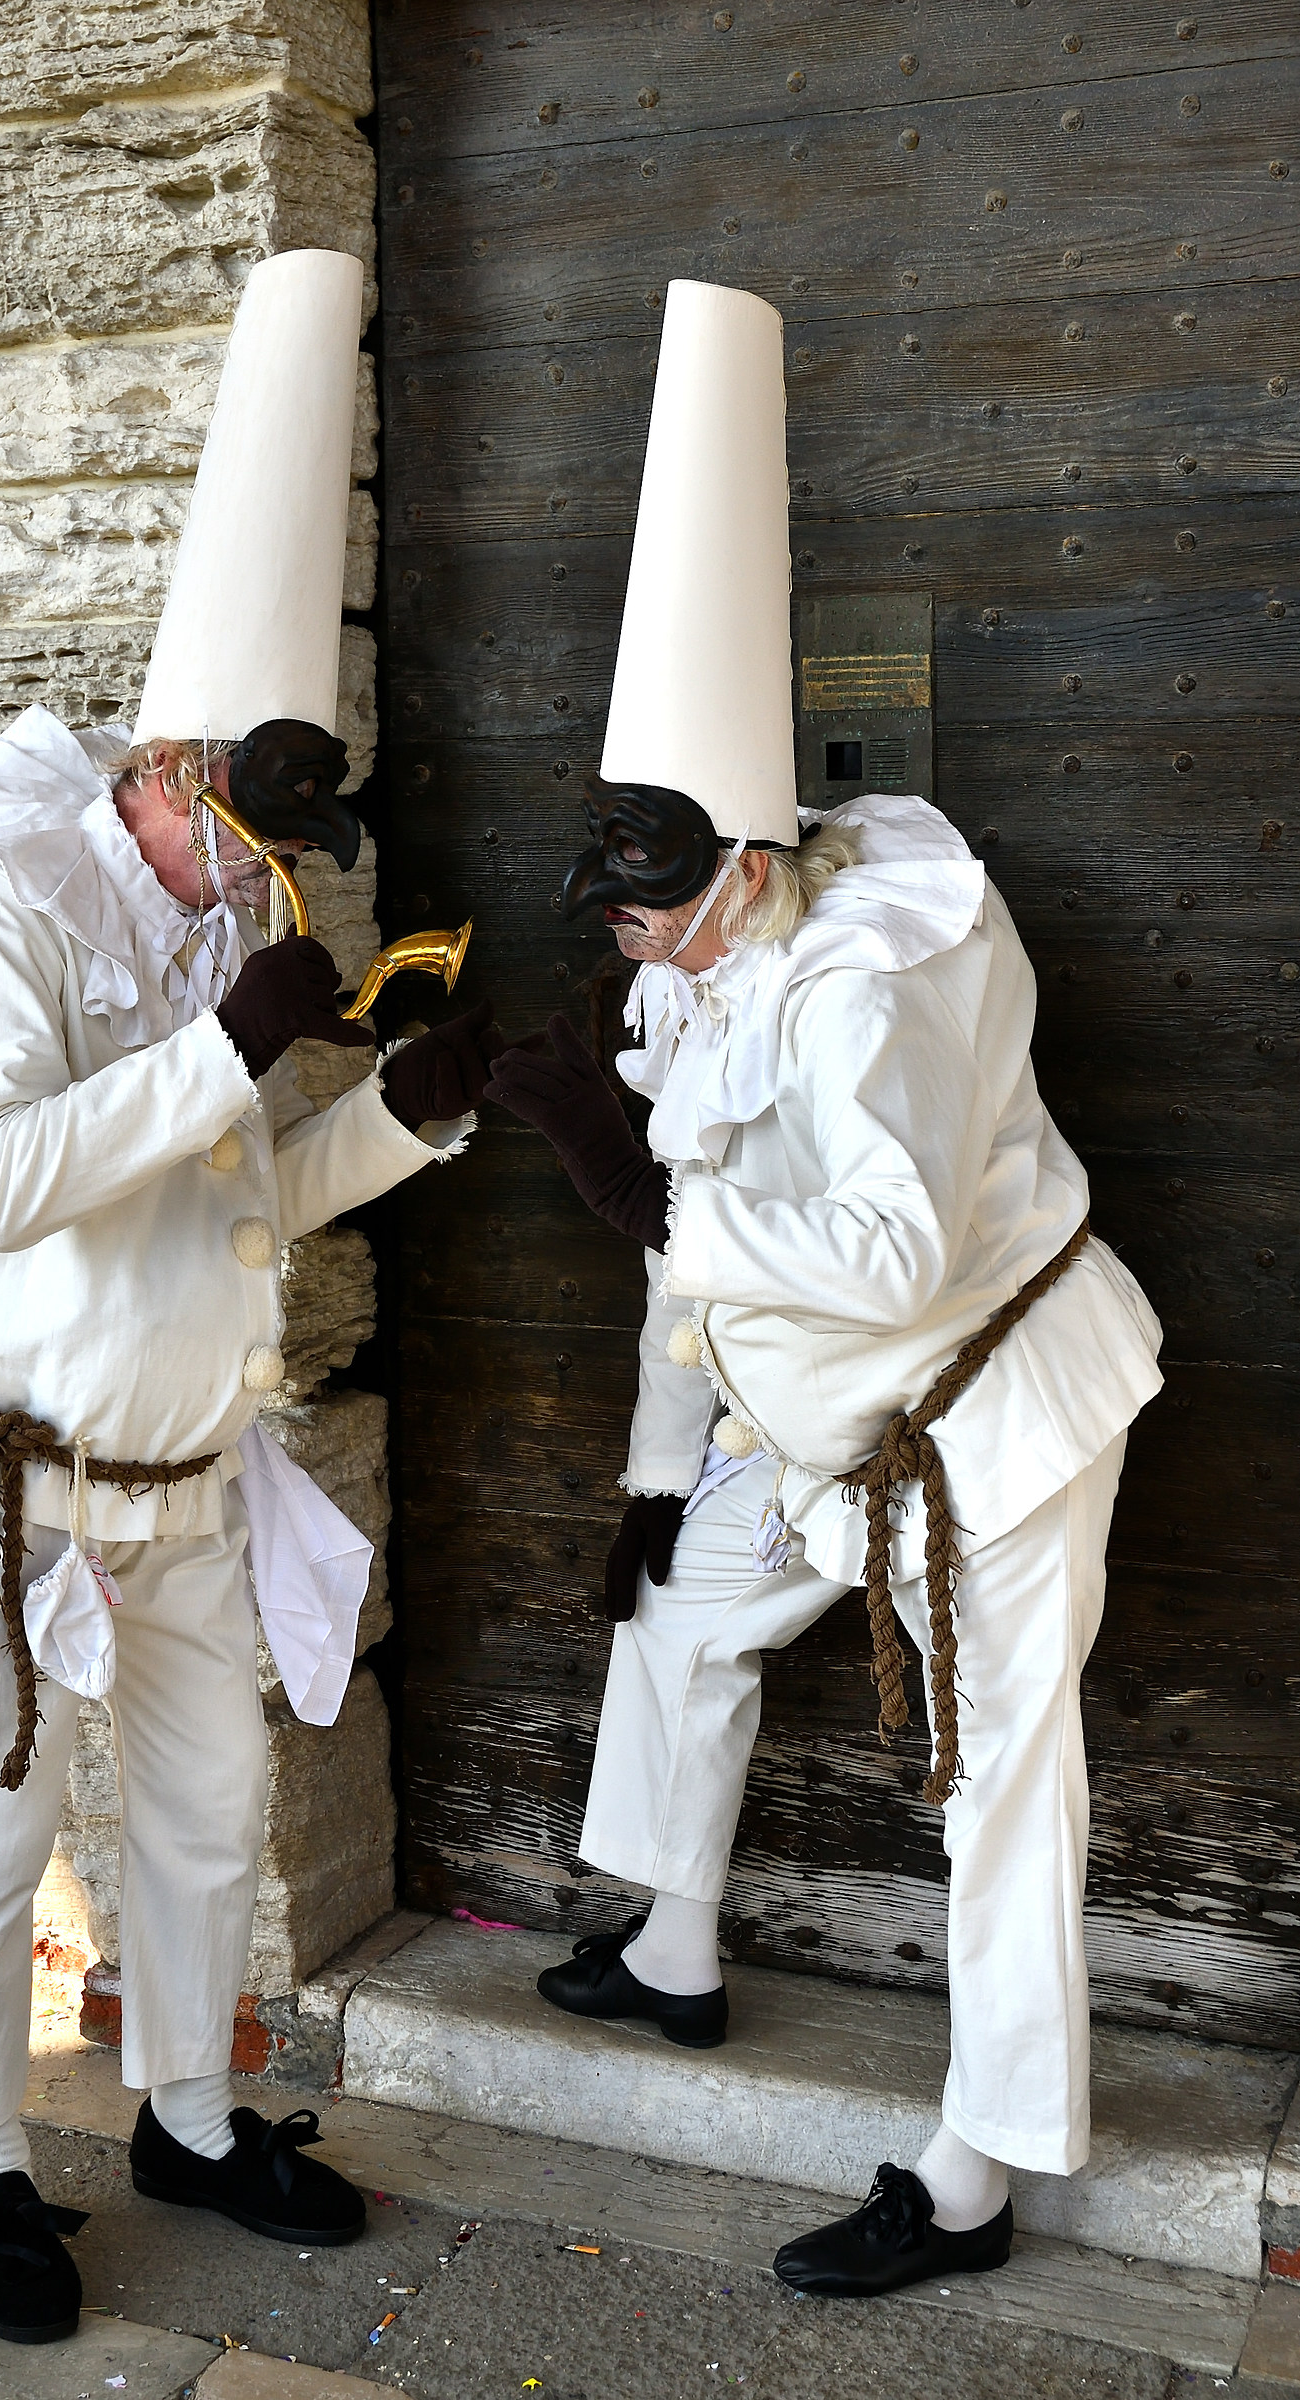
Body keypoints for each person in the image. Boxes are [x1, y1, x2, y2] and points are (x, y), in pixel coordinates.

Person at [485, 278, 1163, 2300]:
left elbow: (880, 1253)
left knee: (1000, 1787)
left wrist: (637, 1191)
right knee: (678, 1608)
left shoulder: (876, 984)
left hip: (989, 1425)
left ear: (754, 866)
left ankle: (975, 2174)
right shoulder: (718, 944)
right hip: (822, 1423)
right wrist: (648, 1466)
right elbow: (720, 1244)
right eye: (612, 911)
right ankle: (678, 1947)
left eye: (653, 911)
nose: (633, 954)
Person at [0, 250, 498, 2344]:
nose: (274, 873)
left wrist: (401, 1112)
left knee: (218, 1802)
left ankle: (192, 2115)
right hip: (9, 1455)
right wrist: (222, 1049)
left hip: (191, 1443)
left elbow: (230, 1209)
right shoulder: (2, 907)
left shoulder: (240, 909)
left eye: (295, 833)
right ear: (170, 765)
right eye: (254, 821)